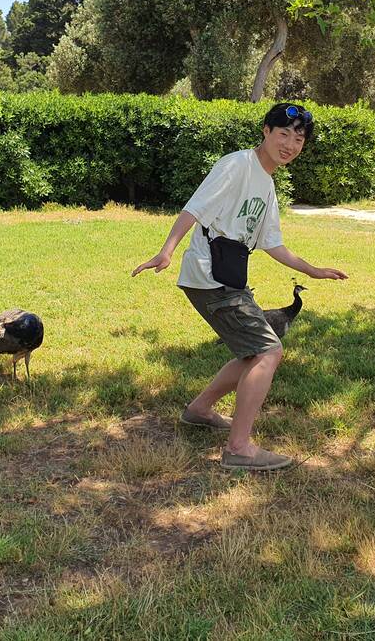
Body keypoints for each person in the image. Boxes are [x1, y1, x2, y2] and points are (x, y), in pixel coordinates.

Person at [132, 103, 348, 471]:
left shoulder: (267, 183)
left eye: (298, 139)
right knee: (268, 351)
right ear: (265, 131)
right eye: (283, 134)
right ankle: (239, 447)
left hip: (225, 277)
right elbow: (195, 208)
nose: (290, 145)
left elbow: (271, 242)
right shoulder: (237, 165)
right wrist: (166, 251)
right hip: (209, 275)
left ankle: (199, 410)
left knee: (253, 351)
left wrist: (311, 270)